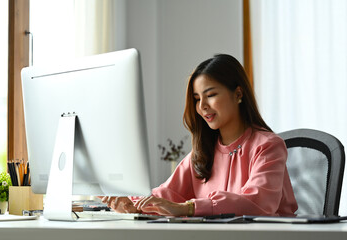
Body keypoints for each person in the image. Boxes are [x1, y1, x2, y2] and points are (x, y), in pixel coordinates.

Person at [100, 54, 298, 217]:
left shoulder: (268, 146)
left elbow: (257, 202)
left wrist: (188, 208)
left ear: (238, 94)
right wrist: (134, 203)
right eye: (197, 99)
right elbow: (168, 193)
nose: (202, 106)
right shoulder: (203, 152)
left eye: (210, 95)